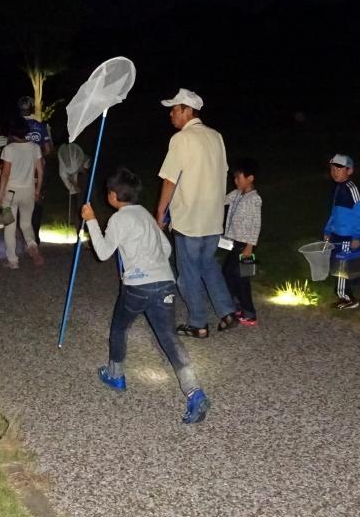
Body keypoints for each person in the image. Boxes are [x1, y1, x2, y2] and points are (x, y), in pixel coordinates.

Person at [82, 167, 210, 424]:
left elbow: (104, 252)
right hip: (164, 282)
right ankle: (194, 391)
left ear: (113, 196)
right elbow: (164, 247)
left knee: (119, 328)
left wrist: (91, 220)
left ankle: (116, 374)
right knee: (169, 338)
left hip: (137, 287)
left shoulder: (118, 219)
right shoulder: (145, 215)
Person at [155, 88, 239, 338]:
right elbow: (222, 172)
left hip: (189, 219)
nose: (171, 114)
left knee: (189, 270)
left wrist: (160, 212)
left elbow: (170, 179)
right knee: (208, 265)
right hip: (213, 217)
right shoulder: (216, 136)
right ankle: (227, 311)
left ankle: (198, 323)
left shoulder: (181, 139)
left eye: (174, 109)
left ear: (187, 110)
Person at [322, 153, 360, 309]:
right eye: (332, 168)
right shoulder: (339, 188)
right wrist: (327, 230)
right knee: (342, 266)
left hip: (346, 236)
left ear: (349, 171)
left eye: (339, 168)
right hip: (336, 234)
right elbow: (335, 212)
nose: (334, 172)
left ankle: (347, 298)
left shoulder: (351, 189)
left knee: (340, 269)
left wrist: (356, 236)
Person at [221, 158, 262, 326]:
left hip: (246, 246)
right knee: (228, 274)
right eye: (235, 178)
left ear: (250, 178)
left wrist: (250, 246)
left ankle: (249, 313)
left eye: (239, 177)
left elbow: (256, 224)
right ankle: (238, 306)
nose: (236, 180)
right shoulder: (236, 194)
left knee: (243, 279)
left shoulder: (255, 199)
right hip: (234, 243)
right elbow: (222, 201)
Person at [0, 123, 44, 269]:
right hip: (29, 191)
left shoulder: (9, 149)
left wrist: (0, 197)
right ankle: (31, 245)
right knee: (26, 223)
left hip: (10, 193)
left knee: (9, 226)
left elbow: (5, 174)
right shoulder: (35, 148)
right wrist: (37, 190)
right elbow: (40, 172)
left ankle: (13, 260)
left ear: (12, 133)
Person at [18, 96, 52, 244]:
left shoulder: (16, 127)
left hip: (21, 170)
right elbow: (48, 149)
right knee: (37, 202)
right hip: (38, 170)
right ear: (32, 108)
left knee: (22, 202)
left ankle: (27, 235)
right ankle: (35, 235)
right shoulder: (41, 126)